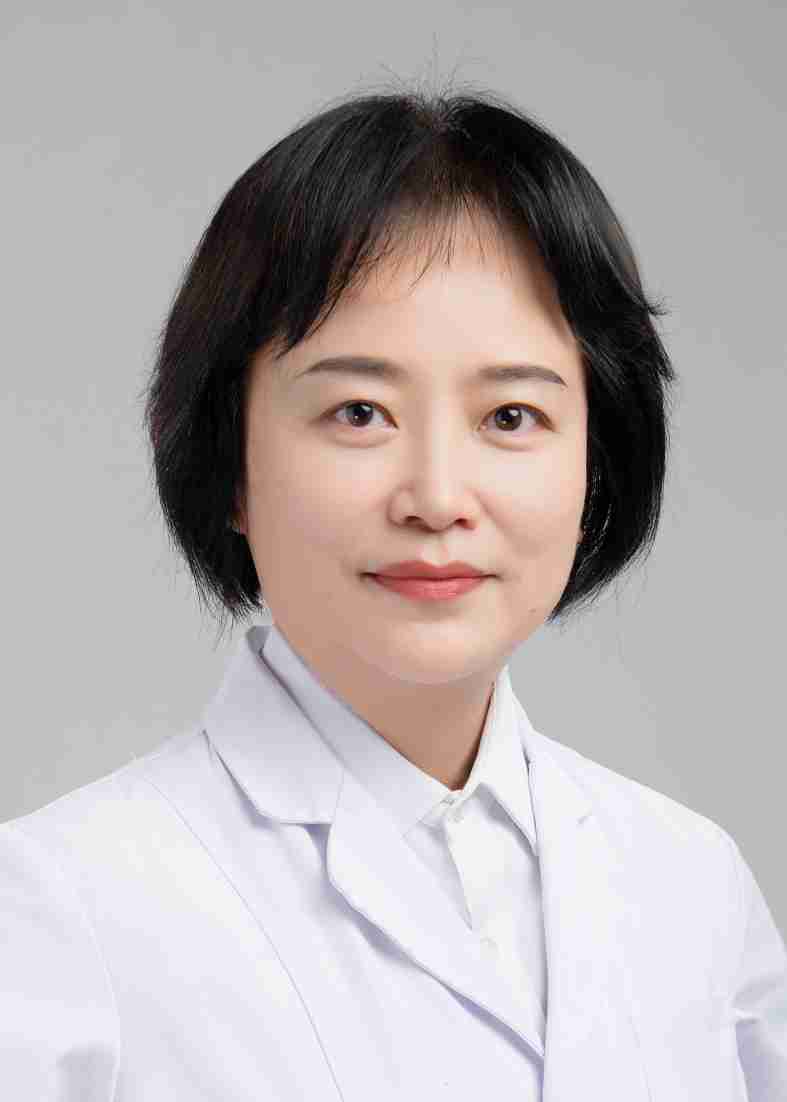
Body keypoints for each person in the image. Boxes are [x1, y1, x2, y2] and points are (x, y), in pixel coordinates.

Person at [2, 78, 785, 1101]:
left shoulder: (693, 891)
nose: (437, 496)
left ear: (597, 462)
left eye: (510, 417)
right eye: (359, 412)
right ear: (229, 462)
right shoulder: (58, 914)